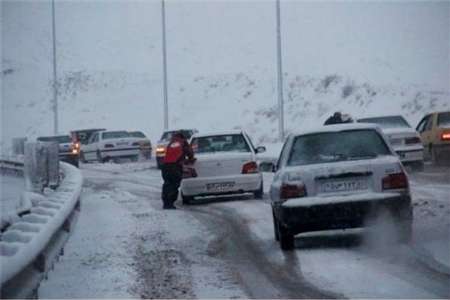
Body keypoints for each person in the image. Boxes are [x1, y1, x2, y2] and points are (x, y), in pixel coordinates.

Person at [161, 131, 195, 209]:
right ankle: (170, 203)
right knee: (174, 185)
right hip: (175, 167)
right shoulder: (183, 142)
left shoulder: (170, 143)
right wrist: (191, 159)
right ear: (183, 137)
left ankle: (166, 203)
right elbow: (189, 152)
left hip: (165, 167)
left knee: (167, 184)